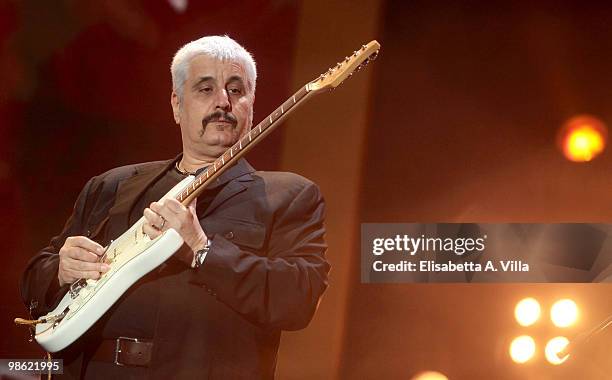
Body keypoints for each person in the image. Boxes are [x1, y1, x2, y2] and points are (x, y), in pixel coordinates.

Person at [19, 35, 330, 379]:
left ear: (252, 104)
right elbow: (35, 279)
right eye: (205, 89)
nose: (223, 102)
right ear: (176, 104)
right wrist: (62, 268)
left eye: (236, 90)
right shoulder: (112, 185)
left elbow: (298, 300)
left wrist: (202, 249)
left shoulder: (288, 195)